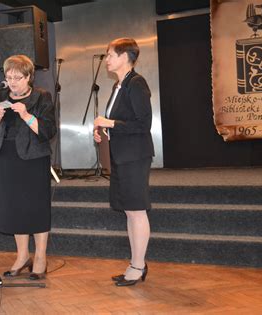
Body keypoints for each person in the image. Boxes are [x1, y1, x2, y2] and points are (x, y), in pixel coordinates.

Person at [0, 55, 56, 280]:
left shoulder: (41, 97)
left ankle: (41, 257)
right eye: (8, 77)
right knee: (14, 207)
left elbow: (48, 131)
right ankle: (22, 256)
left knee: (36, 207)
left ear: (28, 77)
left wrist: (25, 114)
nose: (12, 82)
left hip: (33, 159)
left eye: (17, 77)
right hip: (6, 158)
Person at [93, 38, 154, 286]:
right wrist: (104, 131)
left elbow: (143, 124)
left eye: (110, 55)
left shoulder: (136, 83)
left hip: (134, 157)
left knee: (137, 211)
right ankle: (135, 263)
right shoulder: (119, 85)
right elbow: (120, 122)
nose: (106, 59)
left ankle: (138, 266)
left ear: (125, 56)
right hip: (121, 156)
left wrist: (110, 123)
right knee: (130, 211)